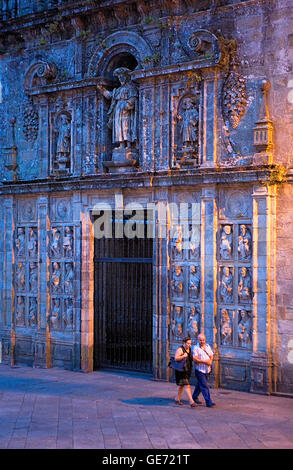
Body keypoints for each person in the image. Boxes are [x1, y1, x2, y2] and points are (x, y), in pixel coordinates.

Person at [192, 333, 216, 407]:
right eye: (200, 340)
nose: (202, 341)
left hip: (207, 370)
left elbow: (211, 355)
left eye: (203, 340)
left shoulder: (208, 346)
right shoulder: (195, 348)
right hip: (199, 370)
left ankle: (194, 397)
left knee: (200, 384)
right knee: (204, 385)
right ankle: (208, 401)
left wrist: (211, 361)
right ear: (198, 340)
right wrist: (205, 362)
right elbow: (195, 359)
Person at [174, 337, 197, 408]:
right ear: (184, 343)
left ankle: (177, 399)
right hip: (181, 371)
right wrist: (183, 356)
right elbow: (176, 358)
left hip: (187, 370)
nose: (189, 345)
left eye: (190, 343)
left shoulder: (189, 349)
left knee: (182, 385)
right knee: (187, 385)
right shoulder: (180, 349)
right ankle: (191, 401)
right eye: (188, 343)